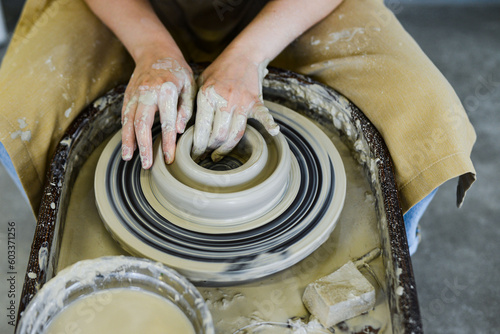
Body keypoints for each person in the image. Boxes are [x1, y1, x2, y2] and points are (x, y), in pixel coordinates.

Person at [0, 0, 476, 254]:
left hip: (283, 9)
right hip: (136, 8)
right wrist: (153, 52)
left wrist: (248, 56)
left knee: (423, 112)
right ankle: (75, 247)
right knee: (19, 111)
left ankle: (388, 248)